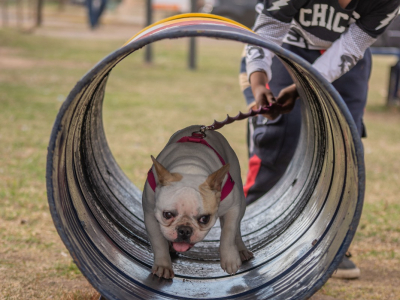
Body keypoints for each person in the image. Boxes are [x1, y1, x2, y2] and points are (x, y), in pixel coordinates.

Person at [240, 0, 400, 279]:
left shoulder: (387, 2)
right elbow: (269, 29)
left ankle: (330, 239)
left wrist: (303, 86)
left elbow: (351, 46)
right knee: (276, 138)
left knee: (344, 147)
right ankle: (246, 232)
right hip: (287, 46)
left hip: (345, 56)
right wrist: (258, 82)